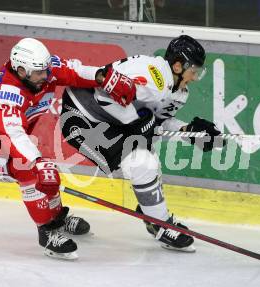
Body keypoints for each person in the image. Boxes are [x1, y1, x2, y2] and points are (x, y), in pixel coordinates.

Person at [0, 37, 136, 260]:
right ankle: (47, 232)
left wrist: (102, 76)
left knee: (44, 170)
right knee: (27, 167)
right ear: (21, 70)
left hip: (5, 144)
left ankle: (57, 218)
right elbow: (13, 135)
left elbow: (74, 71)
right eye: (40, 73)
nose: (46, 76)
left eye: (46, 70)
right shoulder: (5, 94)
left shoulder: (43, 69)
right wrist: (38, 162)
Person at [60, 35, 222, 252]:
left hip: (110, 120)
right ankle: (160, 223)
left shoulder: (180, 92)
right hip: (82, 117)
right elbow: (104, 96)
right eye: (194, 71)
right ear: (177, 66)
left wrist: (188, 131)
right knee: (142, 163)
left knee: (148, 159)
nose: (195, 77)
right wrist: (137, 121)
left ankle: (156, 218)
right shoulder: (152, 77)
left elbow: (158, 122)